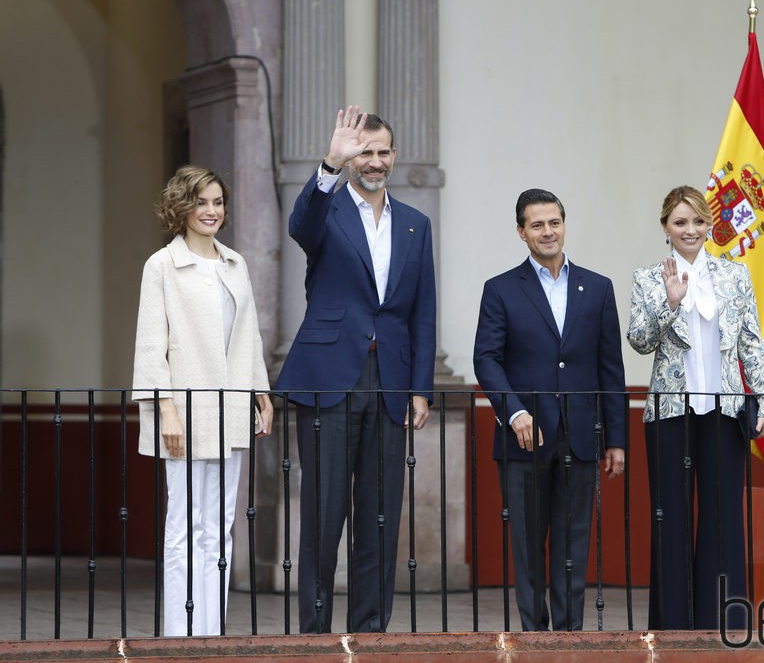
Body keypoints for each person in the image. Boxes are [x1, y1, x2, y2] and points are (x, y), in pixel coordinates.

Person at [276, 105, 436, 633]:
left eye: (382, 151)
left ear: (394, 155)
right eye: (364, 152)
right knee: (323, 514)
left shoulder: (415, 224)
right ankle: (316, 637)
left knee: (381, 516)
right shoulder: (327, 210)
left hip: (391, 381)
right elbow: (300, 225)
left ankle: (369, 633)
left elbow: (422, 310)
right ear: (350, 158)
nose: (374, 161)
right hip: (328, 377)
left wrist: (420, 388)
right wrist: (328, 163)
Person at [473, 188, 626, 631]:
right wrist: (515, 411)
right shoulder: (500, 289)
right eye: (536, 225)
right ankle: (534, 637)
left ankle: (570, 636)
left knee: (573, 546)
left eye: (554, 222)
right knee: (527, 546)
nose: (547, 232)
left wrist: (615, 438)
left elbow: (609, 368)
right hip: (524, 436)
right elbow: (486, 358)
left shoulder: (596, 288)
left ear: (564, 224)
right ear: (521, 233)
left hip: (579, 437)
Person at [132, 166, 274, 636]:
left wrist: (260, 392)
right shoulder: (162, 266)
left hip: (230, 409)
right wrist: (165, 407)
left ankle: (211, 631)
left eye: (217, 202)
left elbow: (249, 337)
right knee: (184, 526)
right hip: (184, 414)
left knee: (221, 526)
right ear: (182, 207)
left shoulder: (236, 263)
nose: (212, 211)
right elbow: (152, 345)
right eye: (202, 202)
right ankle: (179, 633)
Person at [626, 185, 764, 630]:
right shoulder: (648, 278)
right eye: (680, 222)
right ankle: (672, 624)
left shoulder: (735, 276)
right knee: (670, 516)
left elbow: (751, 341)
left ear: (710, 225)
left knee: (722, 516)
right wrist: (670, 304)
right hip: (671, 412)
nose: (689, 230)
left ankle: (720, 623)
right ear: (665, 228)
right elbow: (638, 341)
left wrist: (763, 398)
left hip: (725, 411)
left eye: (697, 221)